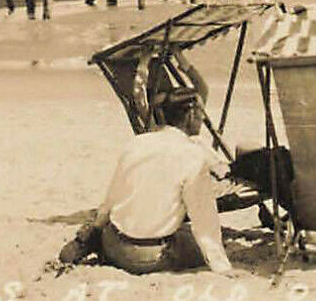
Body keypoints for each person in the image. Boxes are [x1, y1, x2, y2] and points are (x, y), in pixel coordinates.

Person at [91, 87, 233, 275]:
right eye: (201, 114)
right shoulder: (194, 155)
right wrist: (222, 266)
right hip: (150, 256)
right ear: (190, 115)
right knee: (198, 238)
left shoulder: (136, 144)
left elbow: (111, 200)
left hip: (114, 247)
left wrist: (94, 232)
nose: (202, 120)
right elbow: (203, 217)